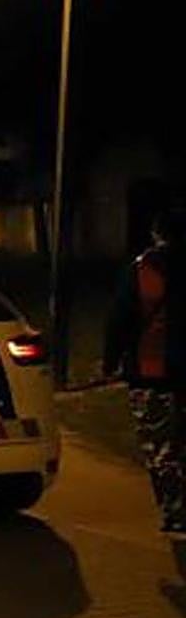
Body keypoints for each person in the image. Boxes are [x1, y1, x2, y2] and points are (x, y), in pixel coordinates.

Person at [106, 209, 186, 532]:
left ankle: (175, 510)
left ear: (156, 233)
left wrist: (111, 361)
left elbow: (121, 319)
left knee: (160, 444)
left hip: (152, 368)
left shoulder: (143, 269)